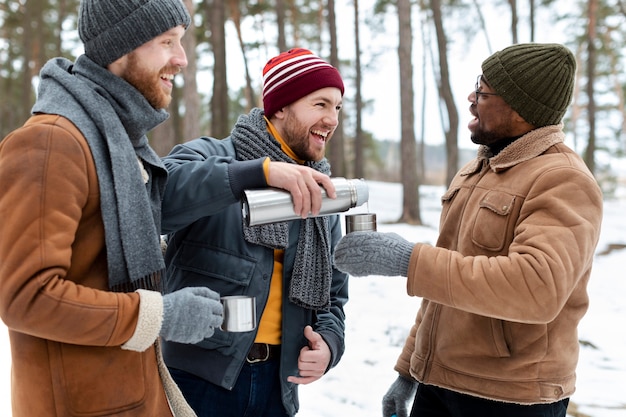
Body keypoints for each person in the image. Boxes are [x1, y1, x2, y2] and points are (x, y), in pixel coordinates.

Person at [333, 43, 603, 417]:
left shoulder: (562, 180)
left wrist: (408, 260)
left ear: (521, 109)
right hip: (440, 385)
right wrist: (410, 369)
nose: (471, 98)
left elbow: (536, 288)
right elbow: (447, 287)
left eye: (483, 90)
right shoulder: (478, 170)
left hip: (509, 399)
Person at [0, 0, 225, 416]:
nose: (182, 59)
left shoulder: (114, 140)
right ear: (122, 49)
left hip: (130, 397)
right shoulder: (52, 143)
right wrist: (159, 316)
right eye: (167, 42)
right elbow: (25, 297)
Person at [160, 47, 349, 417]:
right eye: (321, 104)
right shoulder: (210, 156)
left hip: (277, 389)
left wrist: (329, 344)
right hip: (197, 379)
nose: (332, 119)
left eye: (338, 108)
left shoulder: (321, 193)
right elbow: (159, 202)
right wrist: (256, 174)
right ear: (280, 106)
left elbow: (333, 295)